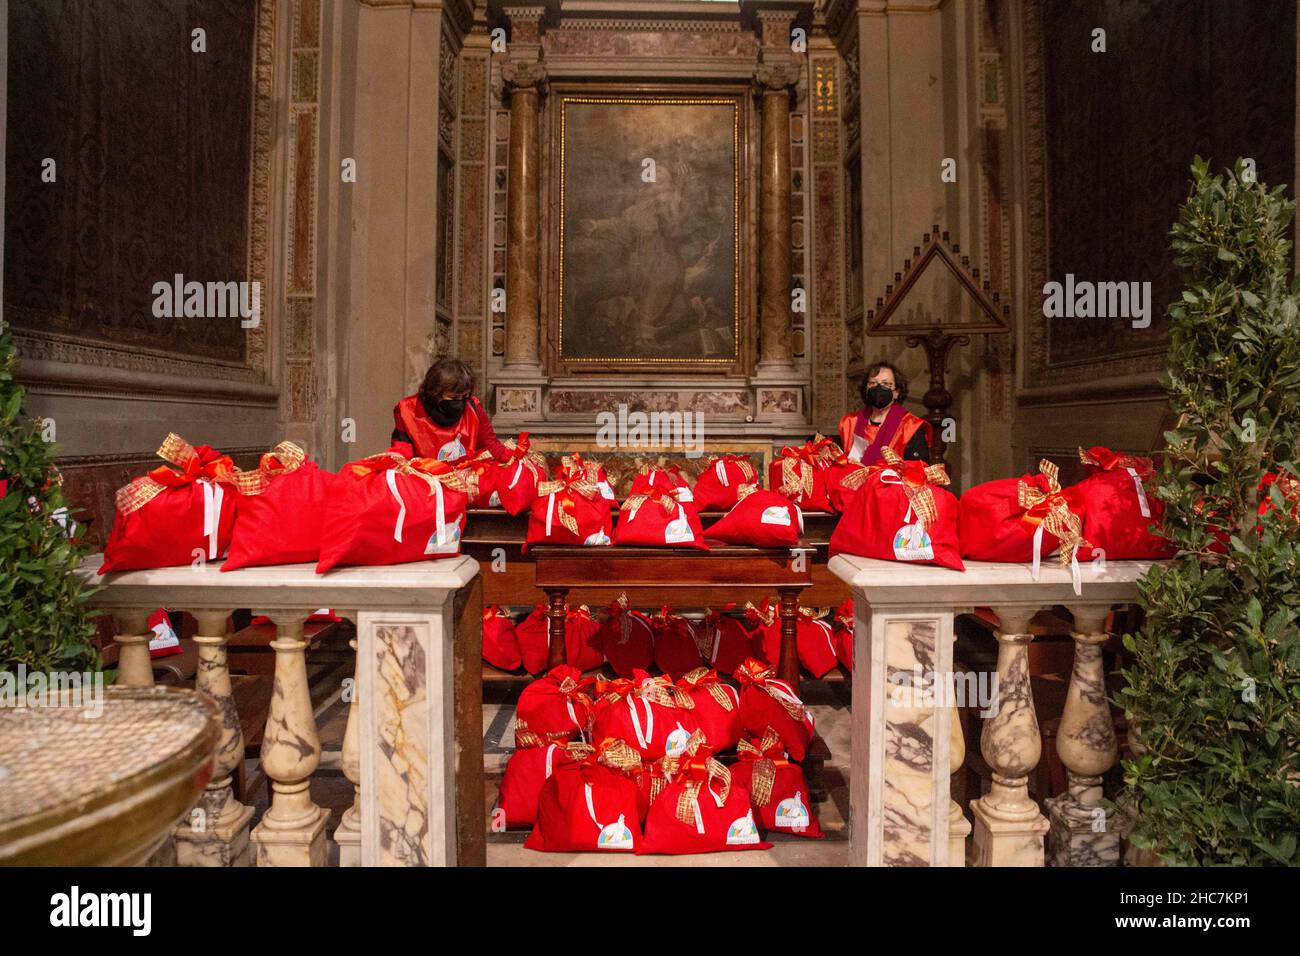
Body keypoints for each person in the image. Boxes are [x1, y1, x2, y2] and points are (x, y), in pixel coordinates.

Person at [391, 357, 510, 462]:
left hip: (464, 479)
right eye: (454, 397)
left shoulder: (473, 407)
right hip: (425, 479)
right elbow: (401, 450)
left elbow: (490, 445)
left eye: (465, 396)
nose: (460, 402)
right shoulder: (408, 410)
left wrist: (511, 458)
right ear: (435, 392)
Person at [837, 360, 932, 464]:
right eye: (872, 383)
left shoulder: (911, 426)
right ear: (866, 389)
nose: (878, 388)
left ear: (896, 392)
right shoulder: (849, 423)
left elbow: (919, 470)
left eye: (885, 384)